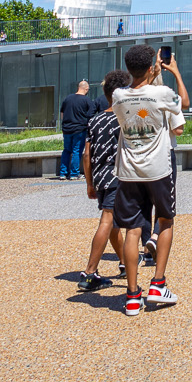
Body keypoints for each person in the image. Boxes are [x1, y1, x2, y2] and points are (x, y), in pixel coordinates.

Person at [111, 43, 186, 315]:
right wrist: (174, 72)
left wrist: (149, 75)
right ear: (153, 65)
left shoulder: (118, 96)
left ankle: (132, 296)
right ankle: (158, 284)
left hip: (129, 171)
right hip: (158, 169)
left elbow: (136, 95)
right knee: (165, 220)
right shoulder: (163, 94)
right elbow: (183, 105)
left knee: (132, 230)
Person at [76, 70, 129, 291]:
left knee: (113, 225)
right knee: (107, 219)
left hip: (99, 176)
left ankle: (125, 263)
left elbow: (86, 155)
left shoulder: (95, 120)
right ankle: (90, 272)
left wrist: (89, 183)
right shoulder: (124, 119)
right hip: (119, 175)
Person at [58, 79, 99, 180]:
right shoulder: (86, 100)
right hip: (79, 129)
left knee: (66, 150)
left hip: (67, 129)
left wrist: (65, 124)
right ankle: (74, 174)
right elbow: (91, 114)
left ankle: (63, 173)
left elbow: (62, 113)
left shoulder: (67, 98)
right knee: (77, 151)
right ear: (86, 89)